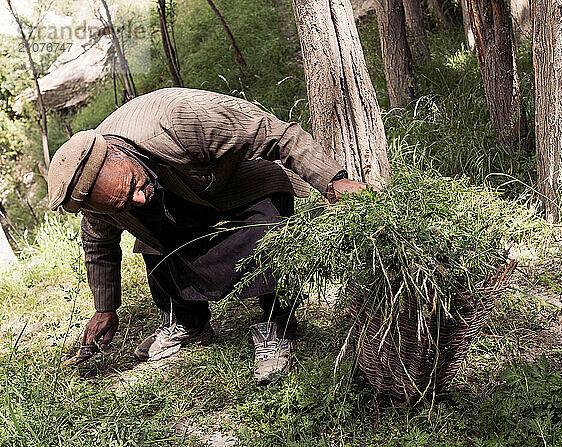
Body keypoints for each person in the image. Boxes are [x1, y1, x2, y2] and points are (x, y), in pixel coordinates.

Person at [48, 88, 371, 384]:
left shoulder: (182, 119)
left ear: (117, 156)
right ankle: (189, 323)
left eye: (131, 185)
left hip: (238, 186)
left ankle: (277, 324)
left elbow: (277, 133)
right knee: (150, 239)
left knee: (264, 236)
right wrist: (106, 308)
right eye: (120, 202)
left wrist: (333, 181)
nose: (137, 199)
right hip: (182, 197)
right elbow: (99, 246)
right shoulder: (98, 199)